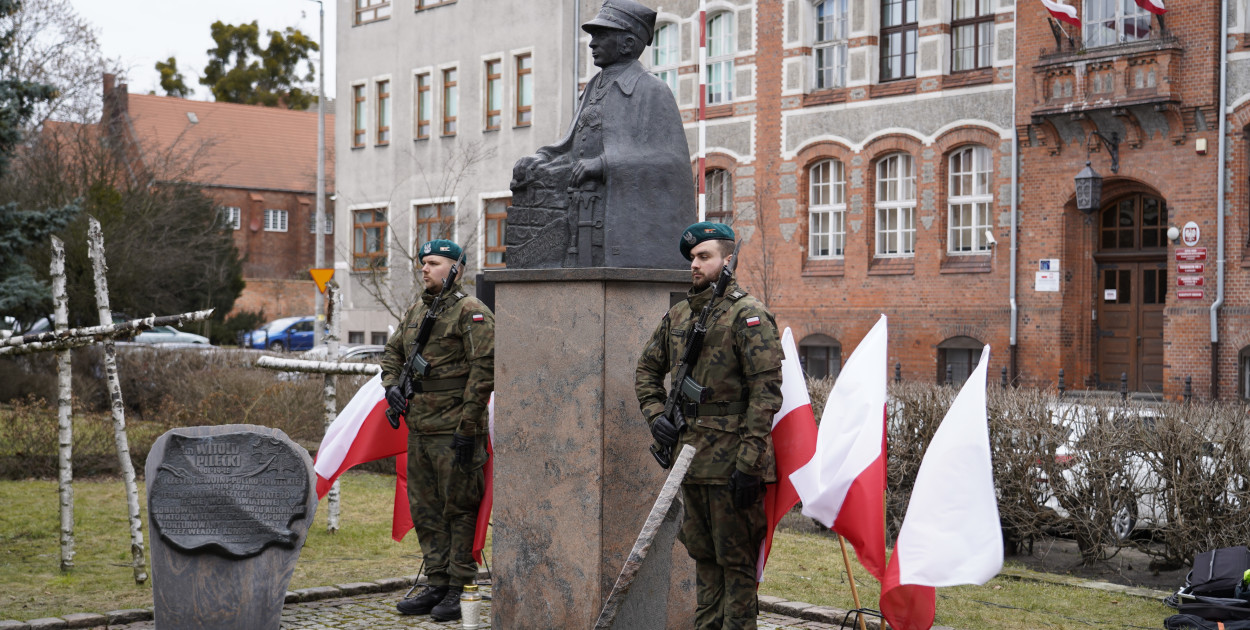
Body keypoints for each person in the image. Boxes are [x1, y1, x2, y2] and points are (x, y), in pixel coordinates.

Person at [635, 222, 784, 630]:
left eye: (704, 256)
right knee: (703, 556)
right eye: (692, 258)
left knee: (736, 563)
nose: (694, 265)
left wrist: (750, 465)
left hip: (734, 462)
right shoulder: (680, 314)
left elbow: (766, 394)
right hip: (691, 460)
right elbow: (647, 370)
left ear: (727, 259)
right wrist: (656, 418)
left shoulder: (748, 315)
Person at [508, 0, 694, 269]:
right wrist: (540, 159)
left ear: (628, 43)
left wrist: (605, 164)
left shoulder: (652, 90)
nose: (592, 44)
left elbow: (671, 163)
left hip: (619, 224)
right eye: (593, 36)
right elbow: (571, 145)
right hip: (581, 214)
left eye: (601, 36)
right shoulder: (595, 86)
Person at [381, 239, 494, 622]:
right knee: (426, 509)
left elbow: (484, 372)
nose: (424, 269)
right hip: (422, 430)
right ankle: (437, 582)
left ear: (455, 269)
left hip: (456, 429)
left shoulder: (472, 312)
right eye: (423, 263)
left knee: (459, 509)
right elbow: (393, 352)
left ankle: (461, 586)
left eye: (433, 263)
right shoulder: (415, 312)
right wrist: (392, 386)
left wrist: (469, 426)